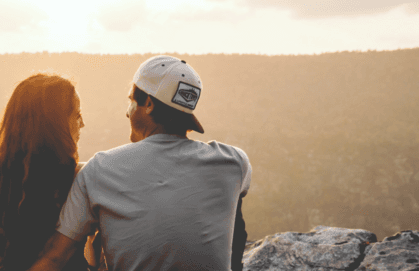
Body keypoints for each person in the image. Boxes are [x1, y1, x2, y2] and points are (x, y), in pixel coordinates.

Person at [27, 55, 252, 271]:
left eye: (131, 101)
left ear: (149, 104)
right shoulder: (234, 162)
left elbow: (55, 258)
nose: (128, 113)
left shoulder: (100, 169)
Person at [0, 74, 98, 271]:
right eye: (77, 115)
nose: (82, 124)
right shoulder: (82, 176)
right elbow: (90, 258)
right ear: (54, 126)